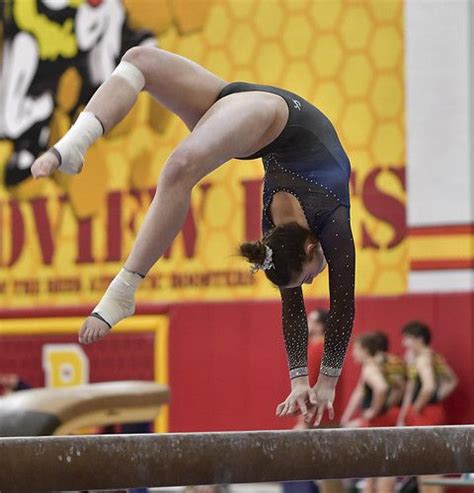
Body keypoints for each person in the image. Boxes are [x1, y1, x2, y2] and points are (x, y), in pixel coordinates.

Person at [31, 47, 356, 425]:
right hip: (269, 115)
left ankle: (70, 149)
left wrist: (300, 381)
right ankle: (122, 285)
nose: (315, 278)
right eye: (311, 275)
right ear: (311, 247)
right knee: (179, 167)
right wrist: (328, 385)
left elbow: (292, 307)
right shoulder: (332, 219)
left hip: (245, 111)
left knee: (141, 61)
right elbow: (343, 302)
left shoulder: (279, 237)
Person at [341, 333, 399, 493]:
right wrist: (346, 417)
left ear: (365, 350)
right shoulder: (377, 365)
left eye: (355, 349)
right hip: (382, 418)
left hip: (379, 421)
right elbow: (359, 393)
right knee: (375, 467)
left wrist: (374, 410)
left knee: (380, 466)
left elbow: (382, 388)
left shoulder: (371, 368)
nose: (352, 354)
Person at [397, 321, 458, 427]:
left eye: (407, 338)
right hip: (433, 410)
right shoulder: (434, 356)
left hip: (424, 413)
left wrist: (416, 408)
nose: (404, 343)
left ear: (419, 339)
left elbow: (429, 387)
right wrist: (436, 397)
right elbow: (452, 381)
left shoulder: (423, 360)